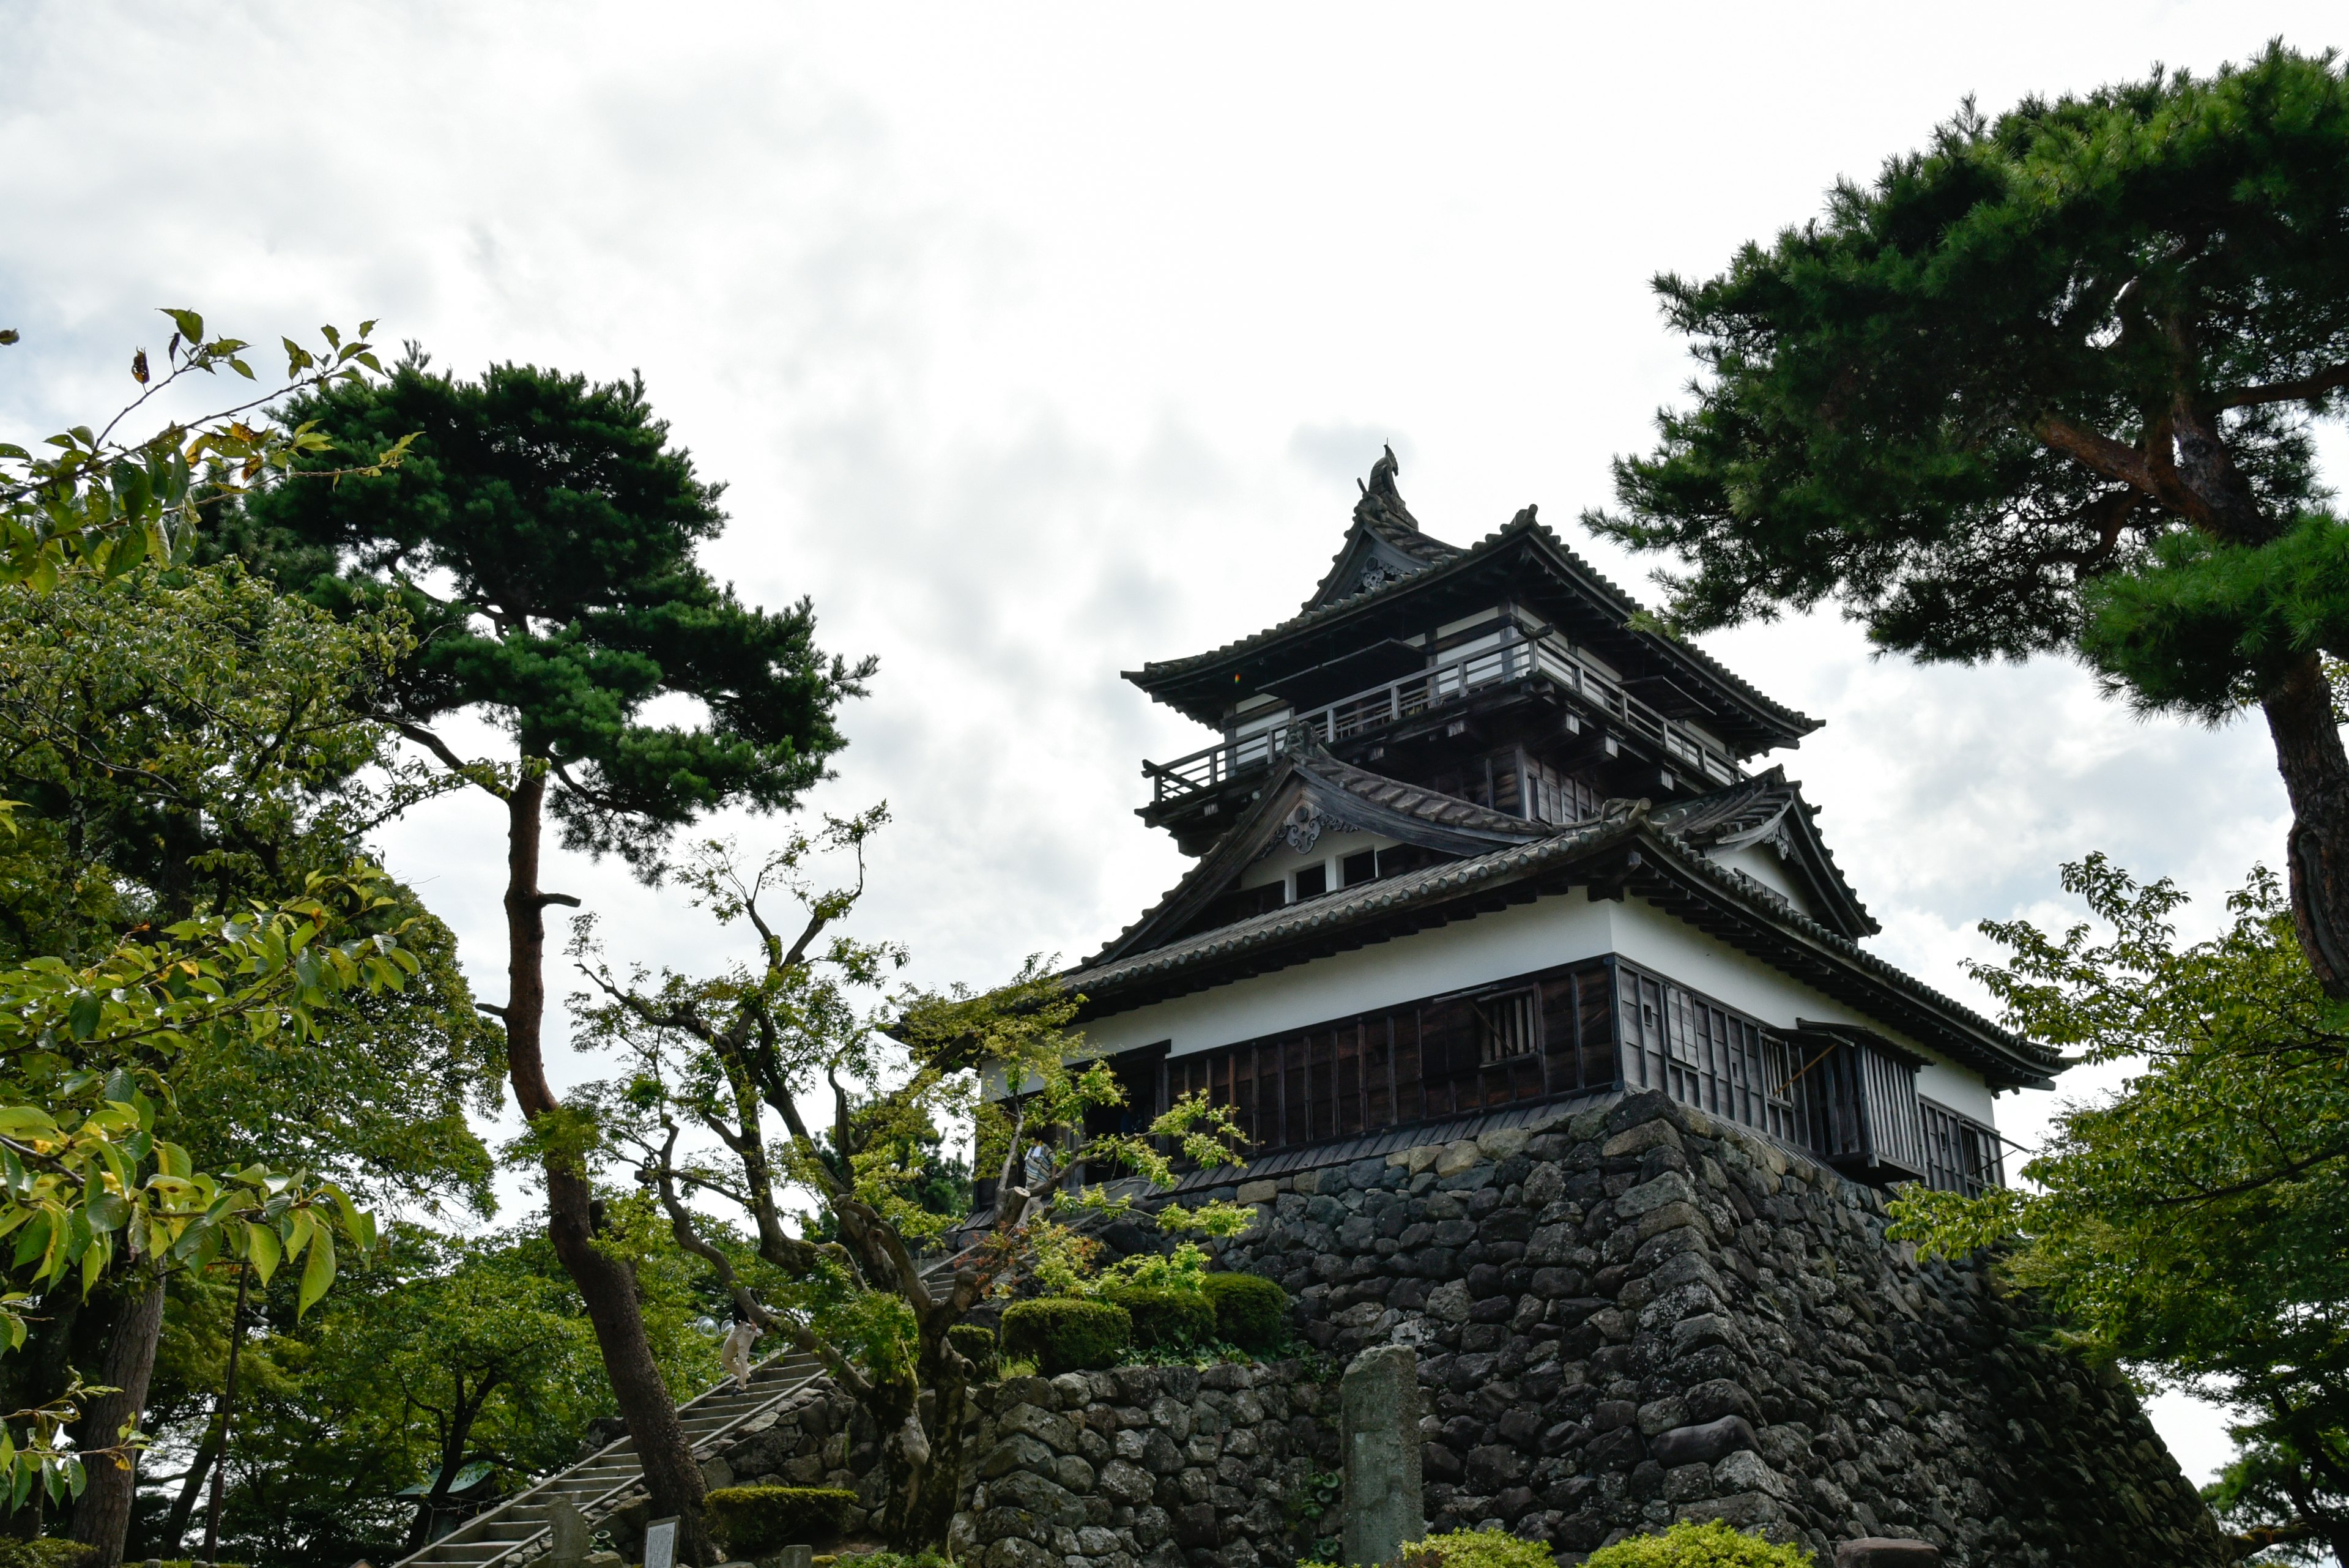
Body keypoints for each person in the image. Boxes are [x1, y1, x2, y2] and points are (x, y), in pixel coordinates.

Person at [719, 1304, 760, 1389]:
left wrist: (755, 1322)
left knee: (742, 1357)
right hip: (737, 1327)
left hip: (747, 1329)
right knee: (725, 1358)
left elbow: (757, 1307)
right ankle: (746, 1376)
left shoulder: (749, 1291)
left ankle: (741, 1386)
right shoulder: (735, 1292)